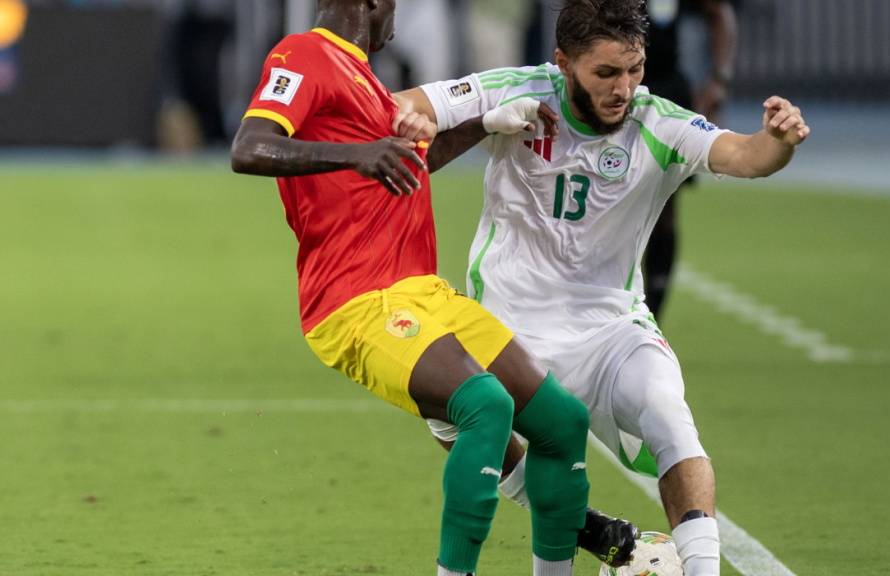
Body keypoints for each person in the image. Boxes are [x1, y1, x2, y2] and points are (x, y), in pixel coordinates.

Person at [396, 0, 809, 574]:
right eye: (606, 73)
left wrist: (778, 140)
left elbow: (746, 155)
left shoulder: (658, 121)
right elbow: (407, 105)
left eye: (635, 69)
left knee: (669, 414)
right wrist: (425, 122)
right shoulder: (521, 89)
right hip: (508, 330)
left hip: (611, 329)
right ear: (564, 62)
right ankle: (589, 528)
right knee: (445, 414)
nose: (624, 89)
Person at [229, 1, 637, 574]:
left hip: (423, 291)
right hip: (356, 302)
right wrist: (358, 155)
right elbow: (249, 147)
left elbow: (406, 167)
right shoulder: (305, 53)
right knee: (485, 406)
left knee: (562, 422)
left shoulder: (366, 80)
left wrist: (485, 124)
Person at [643, 0, 738, 318]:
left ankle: (653, 315)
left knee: (665, 209)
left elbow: (719, 12)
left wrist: (719, 79)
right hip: (610, 91)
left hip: (664, 91)